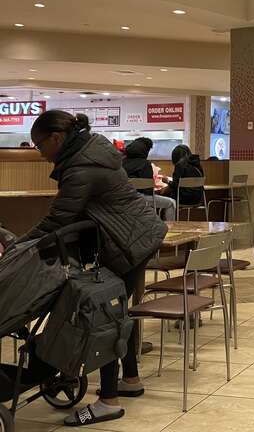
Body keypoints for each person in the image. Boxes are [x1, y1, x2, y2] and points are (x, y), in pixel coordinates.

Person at [19, 111, 166, 426]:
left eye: (39, 145)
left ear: (57, 138)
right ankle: (131, 379)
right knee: (118, 312)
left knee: (105, 315)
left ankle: (108, 401)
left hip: (127, 242)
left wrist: (20, 246)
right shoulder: (92, 150)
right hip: (138, 235)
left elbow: (59, 218)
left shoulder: (81, 168)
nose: (40, 153)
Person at [122, 137, 176, 221]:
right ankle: (170, 228)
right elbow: (148, 190)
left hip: (123, 198)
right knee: (171, 203)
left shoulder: (121, 163)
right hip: (141, 198)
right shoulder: (146, 164)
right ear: (145, 151)